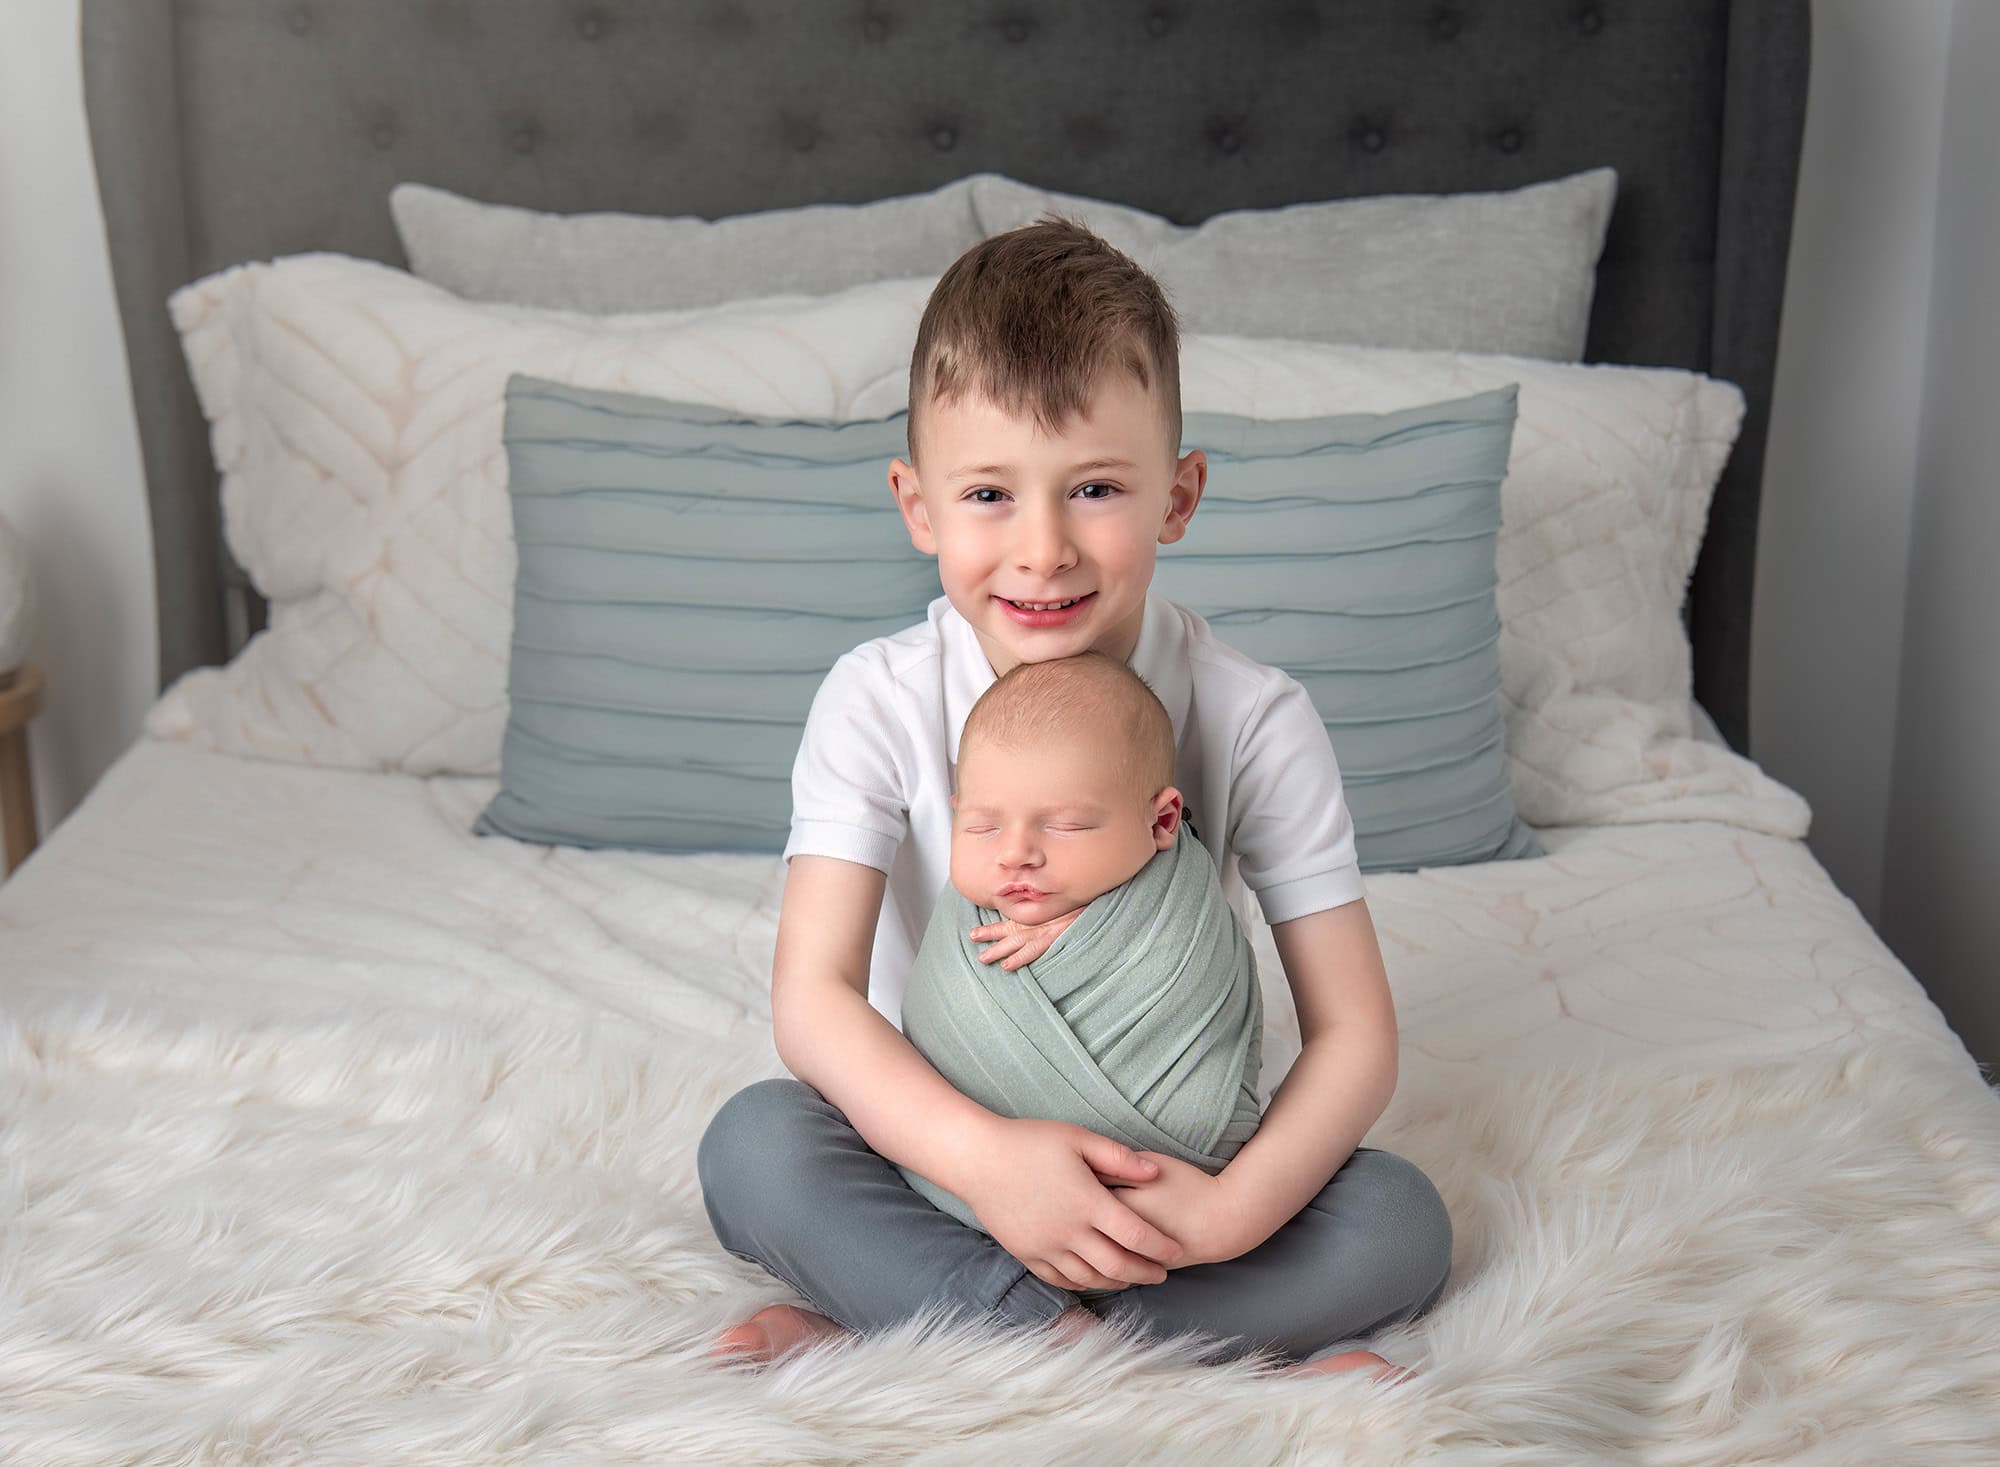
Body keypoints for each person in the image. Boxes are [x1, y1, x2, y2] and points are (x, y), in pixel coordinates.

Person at [696, 218, 1451, 1381]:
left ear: (1178, 495)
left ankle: (935, 1324)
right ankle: (1108, 1349)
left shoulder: (1251, 717)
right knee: (753, 1144)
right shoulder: (875, 699)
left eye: (1094, 486)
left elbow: (1353, 1035)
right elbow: (813, 1001)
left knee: (1398, 1219)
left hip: (1171, 1170)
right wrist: (989, 1163)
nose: (1041, 551)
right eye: (989, 493)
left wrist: (1227, 1219)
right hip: (942, 1158)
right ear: (917, 507)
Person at [892, 651, 1267, 1243]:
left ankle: (981, 1303)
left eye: (1064, 825)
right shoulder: (967, 903)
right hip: (973, 1189)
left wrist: (1091, 931)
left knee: (1394, 1213)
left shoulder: (1180, 891)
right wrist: (982, 1165)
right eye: (983, 826)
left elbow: (1190, 966)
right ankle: (1114, 1317)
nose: (1014, 853)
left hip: (1177, 1205)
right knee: (767, 1135)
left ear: (1164, 822)